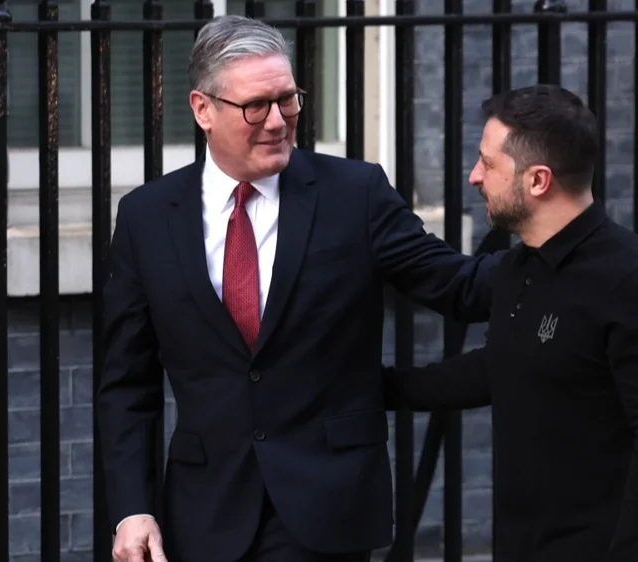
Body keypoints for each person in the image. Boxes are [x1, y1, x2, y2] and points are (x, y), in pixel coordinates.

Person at [97, 15, 500, 562]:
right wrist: (132, 508)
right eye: (256, 105)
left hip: (327, 508)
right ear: (202, 109)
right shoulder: (146, 217)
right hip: (204, 513)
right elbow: (127, 384)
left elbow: (460, 287)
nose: (277, 121)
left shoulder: (355, 194)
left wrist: (569, 246)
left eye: (287, 100)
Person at [381, 84, 638, 562]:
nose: (474, 176)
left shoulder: (633, 283)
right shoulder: (520, 266)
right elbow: (504, 364)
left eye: (488, 163)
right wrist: (378, 389)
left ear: (538, 181)